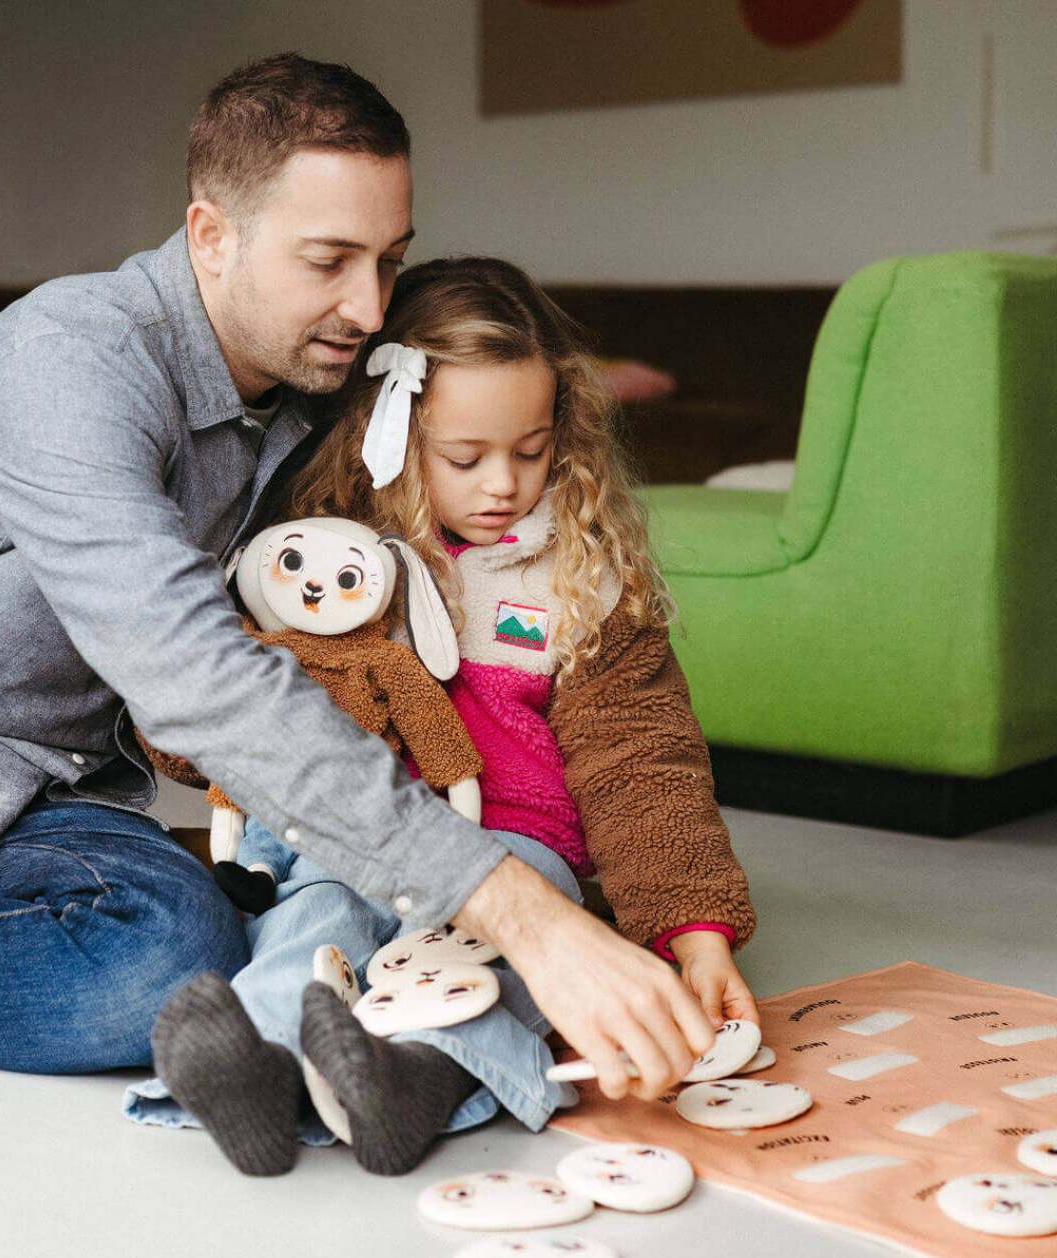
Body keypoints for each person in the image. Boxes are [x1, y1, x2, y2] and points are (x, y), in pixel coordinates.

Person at [0, 54, 727, 1113]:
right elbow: (188, 666)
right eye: (329, 260)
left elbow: (482, 403)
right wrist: (518, 910)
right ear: (210, 235)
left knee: (208, 939)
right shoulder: (66, 361)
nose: (369, 306)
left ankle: (376, 1057)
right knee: (154, 974)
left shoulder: (315, 383)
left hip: (55, 800)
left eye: (389, 260)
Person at [130, 256, 759, 1178]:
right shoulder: (325, 560)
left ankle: (416, 1077)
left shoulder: (584, 583)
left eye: (533, 450)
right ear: (386, 434)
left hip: (521, 849)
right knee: (314, 916)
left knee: (487, 965)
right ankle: (256, 1066)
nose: (503, 483)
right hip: (351, 837)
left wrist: (693, 931)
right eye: (465, 458)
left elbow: (644, 765)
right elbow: (222, 712)